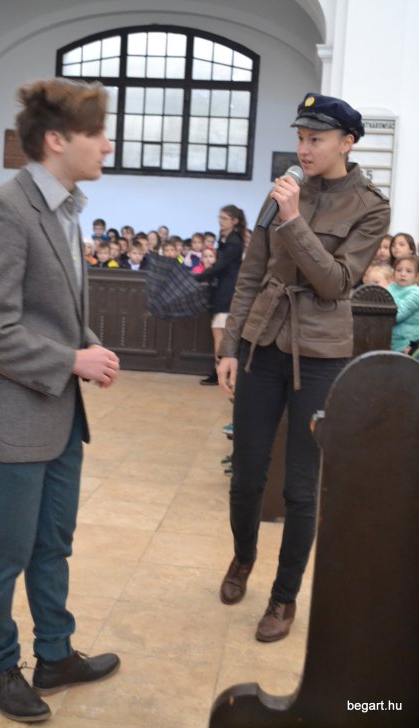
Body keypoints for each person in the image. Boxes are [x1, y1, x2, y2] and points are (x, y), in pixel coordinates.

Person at [0, 77, 121, 723]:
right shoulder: (4, 209)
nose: (106, 145)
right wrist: (71, 360)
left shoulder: (64, 208)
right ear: (56, 139)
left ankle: (55, 654)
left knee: (53, 543)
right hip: (11, 418)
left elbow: (51, 312)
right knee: (5, 551)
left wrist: (88, 343)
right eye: (96, 133)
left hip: (57, 414)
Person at [217, 92, 390, 643]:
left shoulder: (370, 206)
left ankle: (284, 596)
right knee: (246, 474)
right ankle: (243, 556)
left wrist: (293, 220)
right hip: (262, 343)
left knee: (300, 485)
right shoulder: (283, 189)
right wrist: (229, 347)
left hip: (320, 355)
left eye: (316, 138)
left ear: (347, 142)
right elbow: (251, 274)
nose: (304, 148)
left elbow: (336, 283)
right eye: (300, 137)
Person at [194, 205, 246, 385]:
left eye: (224, 218)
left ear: (234, 221)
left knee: (220, 334)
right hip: (224, 289)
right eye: (219, 217)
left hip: (228, 291)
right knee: (220, 333)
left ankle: (219, 372)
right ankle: (221, 371)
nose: (220, 221)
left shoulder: (234, 242)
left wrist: (197, 277)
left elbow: (219, 266)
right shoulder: (227, 239)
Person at [387, 255, 419, 352]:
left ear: (417, 276)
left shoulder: (416, 294)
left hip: (406, 343)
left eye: (408, 271)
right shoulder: (389, 288)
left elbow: (396, 316)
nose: (403, 274)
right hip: (389, 339)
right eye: (399, 270)